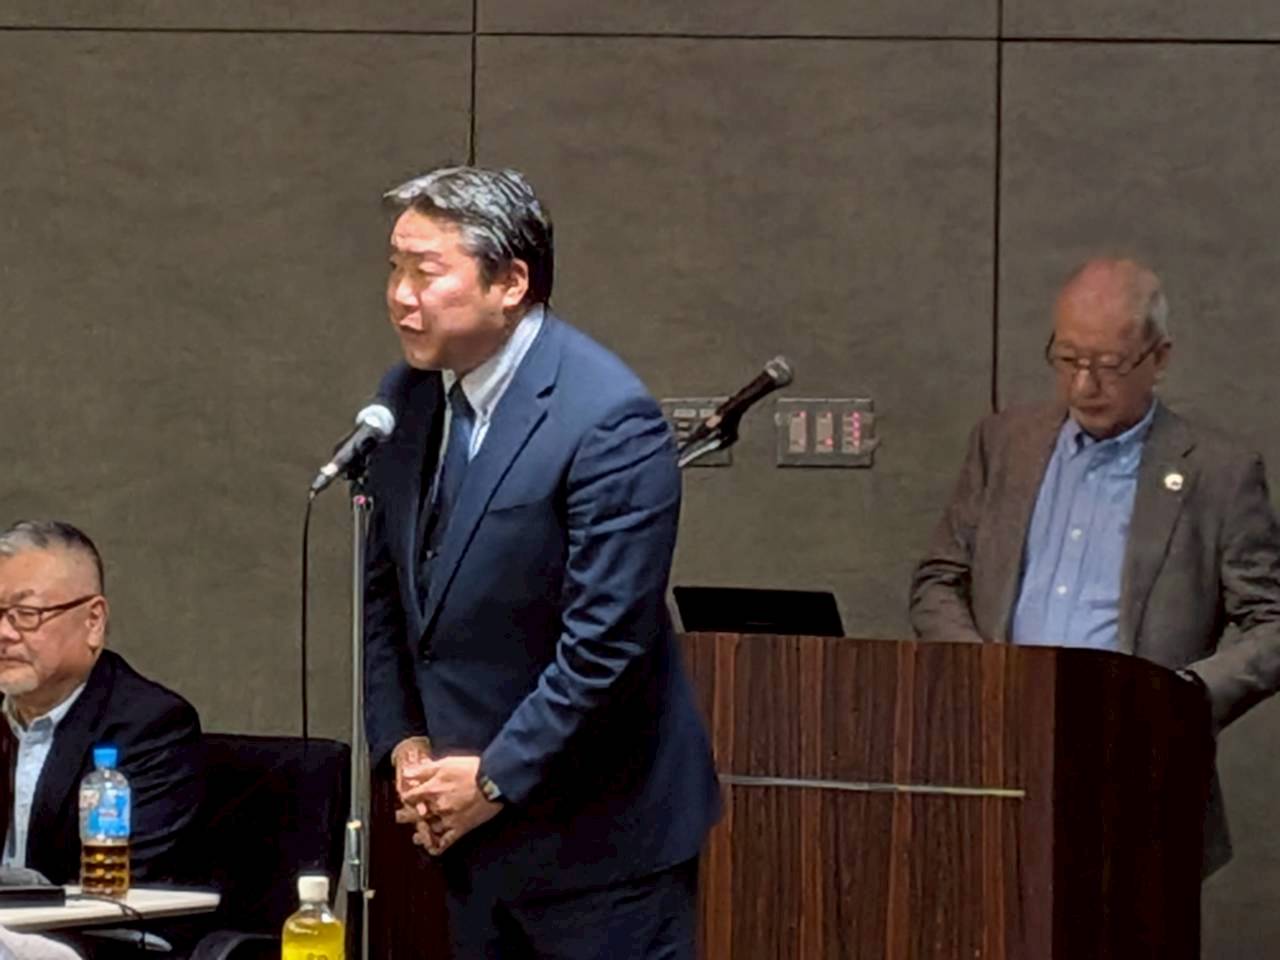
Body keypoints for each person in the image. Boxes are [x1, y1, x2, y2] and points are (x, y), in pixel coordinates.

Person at [361, 165, 721, 958]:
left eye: (425, 271)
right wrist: (404, 744)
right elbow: (386, 595)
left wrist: (493, 778)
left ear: (510, 283)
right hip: (465, 837)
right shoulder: (411, 395)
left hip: (599, 847)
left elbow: (605, 648)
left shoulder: (608, 419)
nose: (399, 296)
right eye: (393, 268)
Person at [910, 257, 1280, 874]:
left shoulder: (1219, 473)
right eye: (1067, 359)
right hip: (995, 750)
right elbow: (938, 578)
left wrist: (1184, 698)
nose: (1084, 385)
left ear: (1159, 358)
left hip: (1136, 766)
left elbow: (1271, 622)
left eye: (1109, 365)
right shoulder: (1004, 444)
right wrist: (981, 672)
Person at [0, 521, 203, 886]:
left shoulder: (151, 725)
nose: (4, 633)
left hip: (86, 920)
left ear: (93, 621)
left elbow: (121, 887)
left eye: (26, 613)